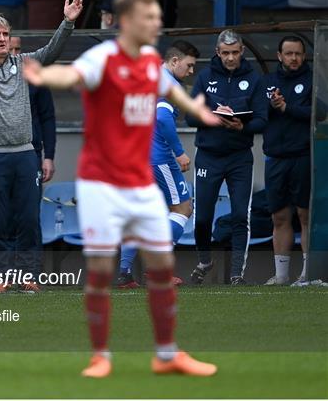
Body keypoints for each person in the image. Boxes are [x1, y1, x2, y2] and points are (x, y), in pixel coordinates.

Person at [23, 0, 219, 378]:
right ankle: (100, 356)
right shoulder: (102, 58)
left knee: (161, 267)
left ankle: (167, 354)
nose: (156, 23)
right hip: (101, 182)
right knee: (99, 271)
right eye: (149, 16)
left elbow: (168, 95)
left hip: (139, 182)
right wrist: (44, 73)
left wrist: (200, 110)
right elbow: (73, 74)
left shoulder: (150, 61)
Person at [0, 0, 83, 294]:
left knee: (28, 219)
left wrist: (67, 22)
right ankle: (1, 276)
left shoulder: (24, 63)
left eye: (5, 34)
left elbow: (49, 53)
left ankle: (29, 276)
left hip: (26, 154)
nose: (2, 39)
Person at [186, 30, 267, 285]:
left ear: (242, 51)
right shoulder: (205, 76)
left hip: (240, 157)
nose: (230, 58)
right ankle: (204, 259)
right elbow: (189, 116)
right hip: (208, 155)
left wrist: (243, 127)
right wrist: (212, 115)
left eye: (235, 53)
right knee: (202, 217)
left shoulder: (254, 79)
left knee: (241, 214)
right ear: (218, 53)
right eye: (225, 53)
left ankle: (236, 275)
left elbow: (263, 120)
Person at [117, 40, 200, 288]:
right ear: (174, 61)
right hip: (159, 158)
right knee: (182, 207)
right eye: (189, 65)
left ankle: (124, 272)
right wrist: (179, 152)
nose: (191, 71)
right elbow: (163, 117)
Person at [0, 36, 56, 187]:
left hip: (30, 152)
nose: (13, 52)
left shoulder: (34, 77)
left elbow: (47, 118)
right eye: (10, 49)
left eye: (18, 49)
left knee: (29, 207)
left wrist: (49, 156)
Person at [263, 36, 314, 285]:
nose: (294, 58)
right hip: (275, 158)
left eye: (298, 54)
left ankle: (307, 273)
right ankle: (281, 276)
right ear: (279, 55)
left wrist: (287, 108)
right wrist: (271, 106)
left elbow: (319, 112)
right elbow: (257, 112)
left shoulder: (313, 80)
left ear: (304, 56)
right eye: (289, 53)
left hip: (303, 156)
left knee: (305, 215)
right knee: (279, 217)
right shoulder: (268, 82)